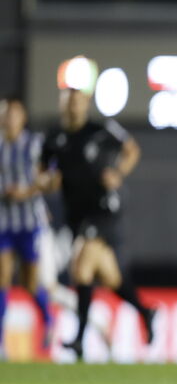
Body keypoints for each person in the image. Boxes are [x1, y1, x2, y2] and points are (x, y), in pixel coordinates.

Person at [39, 86, 155, 360]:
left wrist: (118, 173)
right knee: (110, 277)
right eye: (68, 102)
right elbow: (42, 174)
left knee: (80, 269)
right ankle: (145, 311)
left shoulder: (100, 130)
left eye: (77, 101)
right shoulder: (54, 137)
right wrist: (47, 182)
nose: (73, 106)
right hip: (76, 214)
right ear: (61, 104)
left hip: (103, 210)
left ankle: (79, 338)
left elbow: (131, 149)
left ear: (86, 103)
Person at [0, 96, 53, 356]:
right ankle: (0, 342)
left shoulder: (34, 145)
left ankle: (47, 318)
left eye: (13, 113)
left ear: (22, 118)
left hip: (29, 222)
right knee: (1, 278)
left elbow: (50, 178)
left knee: (29, 283)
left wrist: (28, 190)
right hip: (3, 223)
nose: (8, 118)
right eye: (5, 113)